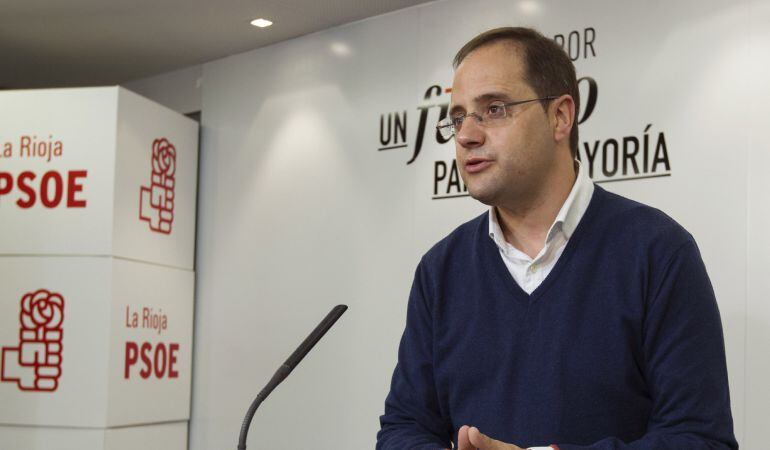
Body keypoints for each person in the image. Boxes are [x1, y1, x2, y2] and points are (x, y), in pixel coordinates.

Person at [376, 27, 737, 450]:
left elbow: (700, 439)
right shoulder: (441, 269)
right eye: (457, 117)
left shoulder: (657, 252)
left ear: (560, 117)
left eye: (493, 109)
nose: (466, 135)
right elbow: (403, 429)